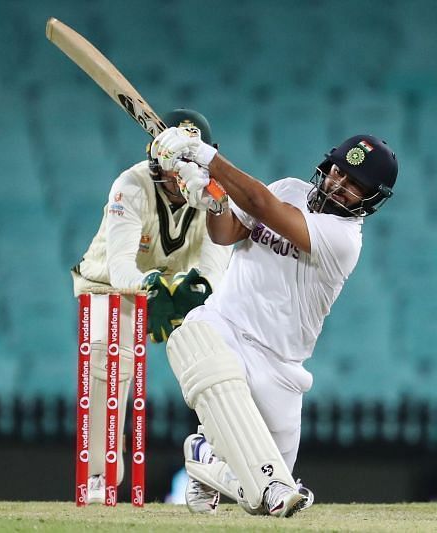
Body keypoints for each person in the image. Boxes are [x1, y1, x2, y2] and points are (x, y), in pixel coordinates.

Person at [150, 127, 397, 517]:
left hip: (281, 368)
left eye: (354, 185)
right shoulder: (289, 188)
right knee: (193, 341)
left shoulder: (344, 239)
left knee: (266, 498)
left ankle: (204, 457)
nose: (338, 185)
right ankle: (213, 462)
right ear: (327, 166)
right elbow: (227, 232)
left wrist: (208, 159)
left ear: (369, 201)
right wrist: (213, 201)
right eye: (338, 173)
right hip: (225, 325)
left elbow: (263, 207)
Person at [70, 109, 232, 504]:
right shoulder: (131, 185)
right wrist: (149, 287)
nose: (180, 179)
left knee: (219, 357)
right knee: (109, 358)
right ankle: (99, 476)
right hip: (111, 285)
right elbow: (121, 265)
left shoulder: (214, 193)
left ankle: (212, 470)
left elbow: (214, 267)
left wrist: (196, 290)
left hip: (177, 284)